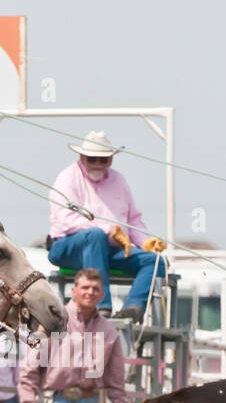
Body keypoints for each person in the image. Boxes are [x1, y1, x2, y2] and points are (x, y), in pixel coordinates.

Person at [47, 131, 167, 324]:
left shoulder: (119, 180)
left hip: (109, 251)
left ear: (110, 160)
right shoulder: (67, 178)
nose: (97, 164)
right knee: (95, 236)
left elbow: (132, 220)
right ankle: (102, 308)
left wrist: (145, 241)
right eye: (92, 159)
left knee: (157, 262)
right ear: (82, 157)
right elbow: (66, 221)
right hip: (68, 247)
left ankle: (132, 308)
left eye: (103, 160)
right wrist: (107, 229)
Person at [19, 268, 129, 403]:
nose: (90, 292)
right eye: (85, 287)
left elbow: (116, 383)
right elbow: (30, 367)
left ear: (102, 294)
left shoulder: (109, 331)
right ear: (74, 291)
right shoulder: (53, 321)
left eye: (95, 289)